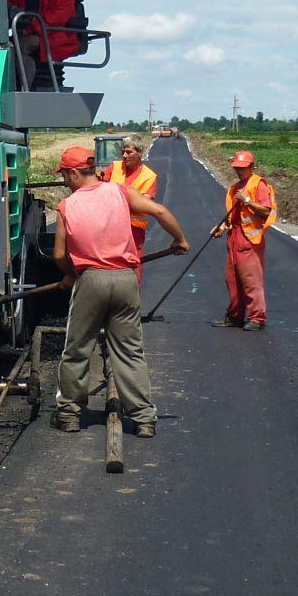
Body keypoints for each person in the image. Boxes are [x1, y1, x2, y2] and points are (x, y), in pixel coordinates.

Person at [52, 146, 188, 437]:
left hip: (91, 281)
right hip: (126, 279)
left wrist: (70, 274)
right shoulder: (120, 192)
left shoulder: (67, 206)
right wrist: (179, 239)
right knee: (129, 350)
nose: (64, 181)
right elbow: (160, 210)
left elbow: (59, 253)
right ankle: (143, 419)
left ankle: (70, 414)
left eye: (64, 175)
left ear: (75, 172)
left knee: (77, 349)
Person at [211, 150, 277, 331]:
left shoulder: (258, 184)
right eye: (236, 168)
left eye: (242, 168)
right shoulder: (234, 188)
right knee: (231, 278)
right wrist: (221, 228)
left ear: (251, 167)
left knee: (251, 279)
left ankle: (257, 318)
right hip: (234, 237)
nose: (239, 171)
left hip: (250, 239)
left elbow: (266, 210)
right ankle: (235, 316)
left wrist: (247, 200)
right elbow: (232, 216)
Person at [5, 0, 78, 90]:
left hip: (55, 35)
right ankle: (6, 87)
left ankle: (25, 89)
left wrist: (32, 26)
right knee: (3, 46)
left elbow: (59, 16)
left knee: (21, 46)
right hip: (33, 31)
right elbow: (12, 1)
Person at [105, 134, 159, 258]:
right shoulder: (114, 167)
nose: (124, 156)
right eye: (123, 152)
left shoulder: (149, 176)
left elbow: (143, 204)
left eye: (129, 152)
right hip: (110, 230)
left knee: (134, 271)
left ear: (140, 153)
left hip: (134, 235)